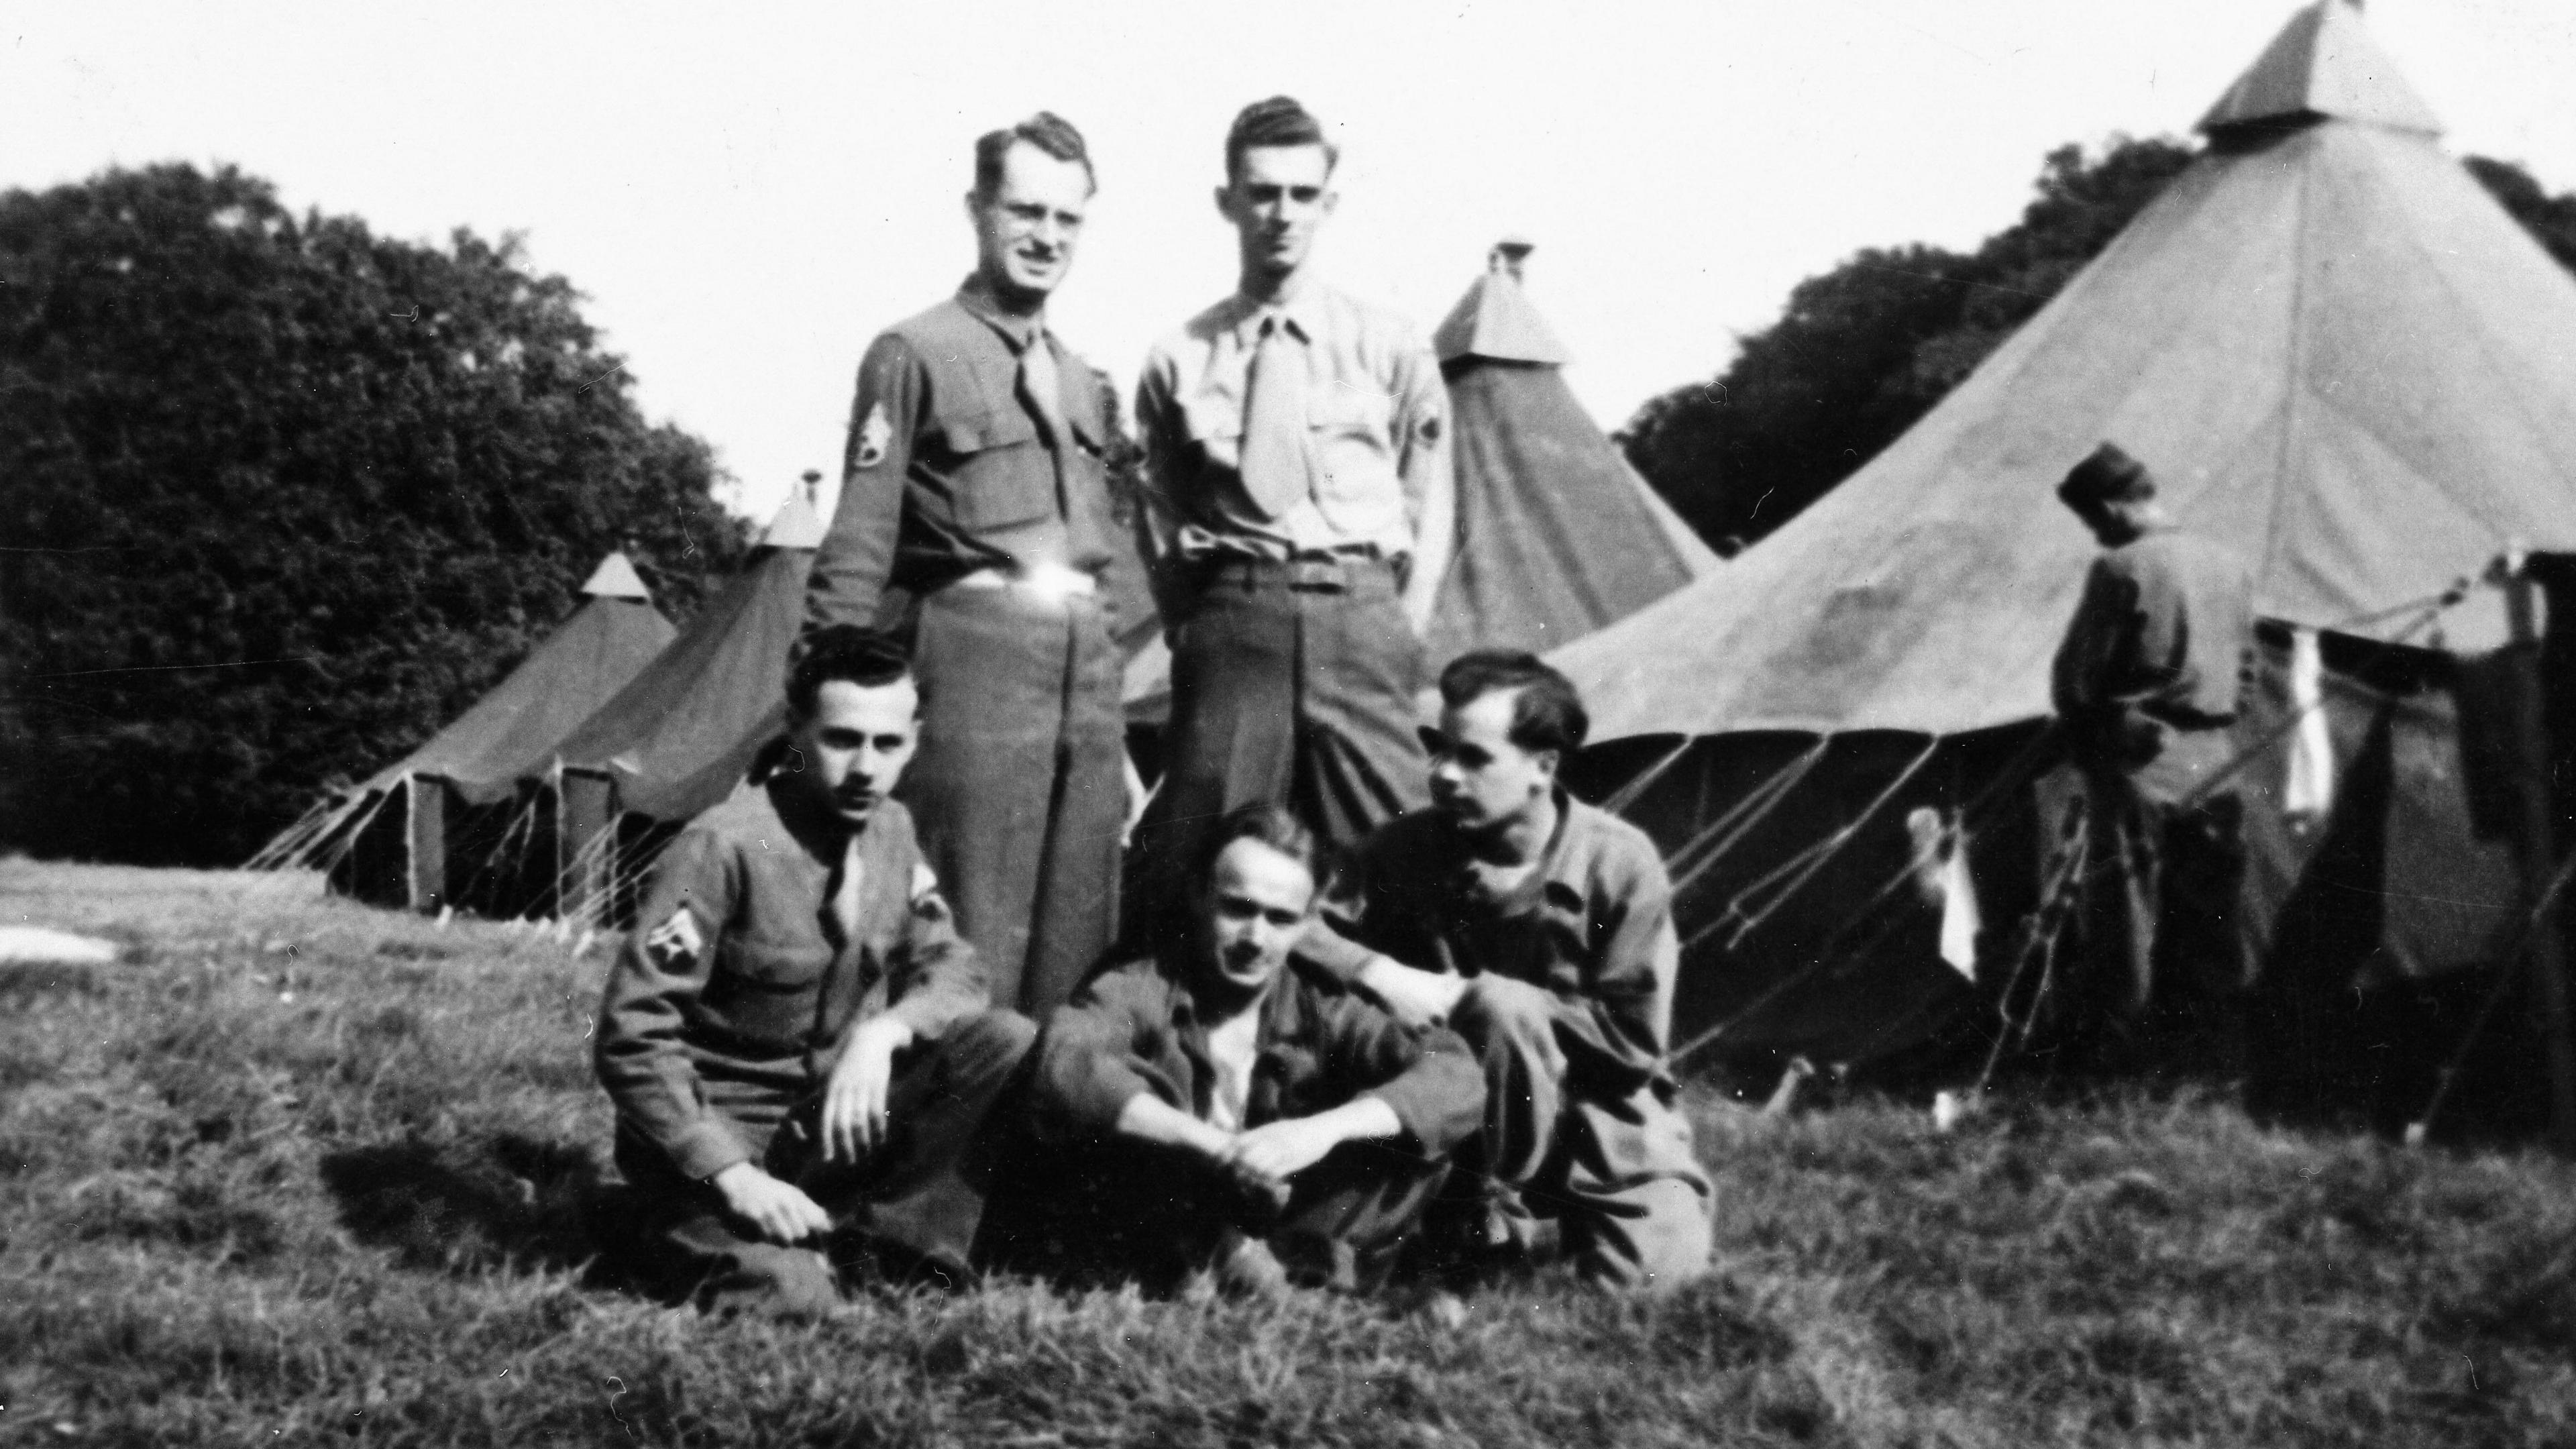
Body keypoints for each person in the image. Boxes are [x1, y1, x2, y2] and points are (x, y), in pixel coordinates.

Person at [594, 626, 1036, 1316]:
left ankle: (897, 1245)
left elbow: (955, 967)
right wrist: (733, 1176)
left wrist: (885, 1032)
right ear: (797, 729)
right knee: (793, 1298)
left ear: (913, 741)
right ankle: (653, 1226)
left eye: (888, 745)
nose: (866, 768)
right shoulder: (723, 847)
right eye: (842, 740)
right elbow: (633, 1035)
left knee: (1001, 1040)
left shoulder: (890, 830)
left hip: (822, 1128)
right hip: (719, 1139)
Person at [803, 111, 1130, 1020]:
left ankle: (1043, 1158)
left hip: (1085, 677)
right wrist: (824, 700)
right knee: (968, 923)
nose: (1046, 238)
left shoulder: (1083, 383)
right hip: (974, 660)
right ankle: (934, 1160)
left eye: (1068, 220)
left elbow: (1106, 554)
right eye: (1025, 212)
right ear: (977, 210)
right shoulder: (916, 353)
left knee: (1077, 938)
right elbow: (860, 541)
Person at [1127, 95, 1454, 914]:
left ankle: (1414, 1038)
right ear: (1227, 201)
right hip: (1237, 623)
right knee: (1205, 859)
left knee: (1405, 854)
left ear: (1328, 205)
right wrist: (1198, 626)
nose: (1281, 214)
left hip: (1362, 618)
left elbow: (1432, 499)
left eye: (1302, 195)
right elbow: (1157, 519)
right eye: (1262, 192)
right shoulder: (1179, 357)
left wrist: (1404, 625)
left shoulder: (1389, 343)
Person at [1301, 650, 1715, 1290]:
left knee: (1657, 1276)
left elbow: (1633, 1046)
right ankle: (1477, 1226)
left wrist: (1478, 998)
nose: (1443, 776)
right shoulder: (1404, 850)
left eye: (1473, 758)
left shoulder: (1620, 864)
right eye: (1438, 750)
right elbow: (1300, 925)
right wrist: (1381, 972)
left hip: (1597, 1112)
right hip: (1459, 1114)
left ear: (1543, 768)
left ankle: (1556, 1214)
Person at [1024, 802, 1485, 1295]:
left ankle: (1298, 1270)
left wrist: (1319, 1132)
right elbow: (1067, 1059)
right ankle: (1207, 1268)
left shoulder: (1321, 1006)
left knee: (1415, 1128)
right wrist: (1216, 1148)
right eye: (1238, 909)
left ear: (1308, 923)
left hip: (1282, 1217)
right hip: (1166, 1213)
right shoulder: (1143, 986)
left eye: (1281, 919)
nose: (1255, 938)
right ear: (1200, 895)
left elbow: (1455, 1072)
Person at [2047, 441, 2255, 1069]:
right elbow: (2246, 672)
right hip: (2216, 754)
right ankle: (2211, 1058)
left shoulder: (2122, 567)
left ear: (2113, 506)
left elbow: (2078, 680)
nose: (2095, 536)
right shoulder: (2229, 563)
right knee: (2210, 913)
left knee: (2127, 916)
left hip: (2141, 758)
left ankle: (2122, 1059)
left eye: (2093, 521)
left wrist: (2104, 724)